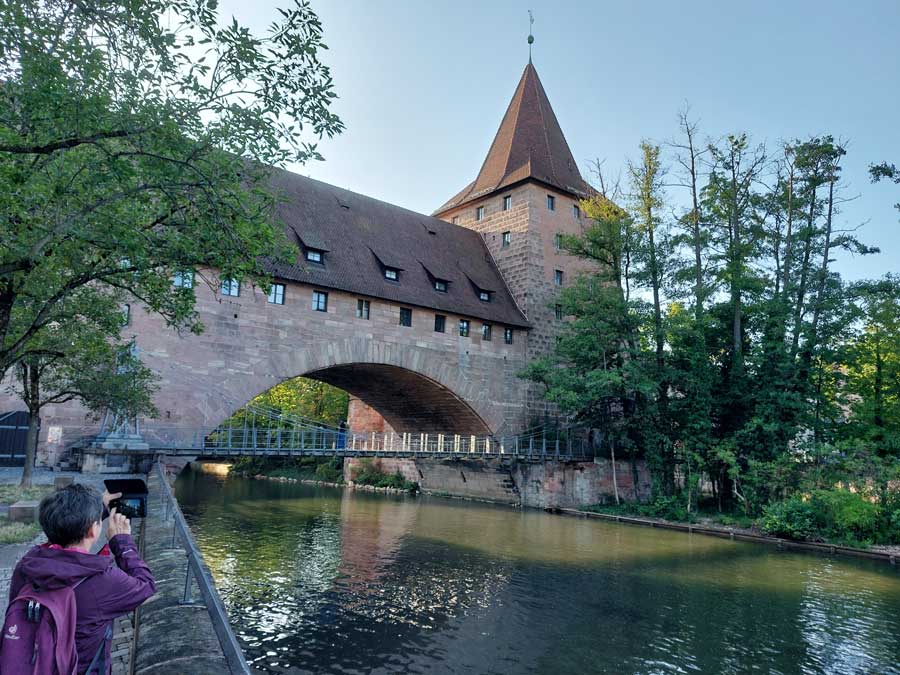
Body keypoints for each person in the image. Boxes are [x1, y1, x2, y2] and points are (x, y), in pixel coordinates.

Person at [7, 483, 156, 674]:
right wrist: (122, 542)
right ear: (94, 530)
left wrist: (94, 508)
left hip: (31, 662)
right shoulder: (103, 581)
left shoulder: (29, 564)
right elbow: (146, 585)